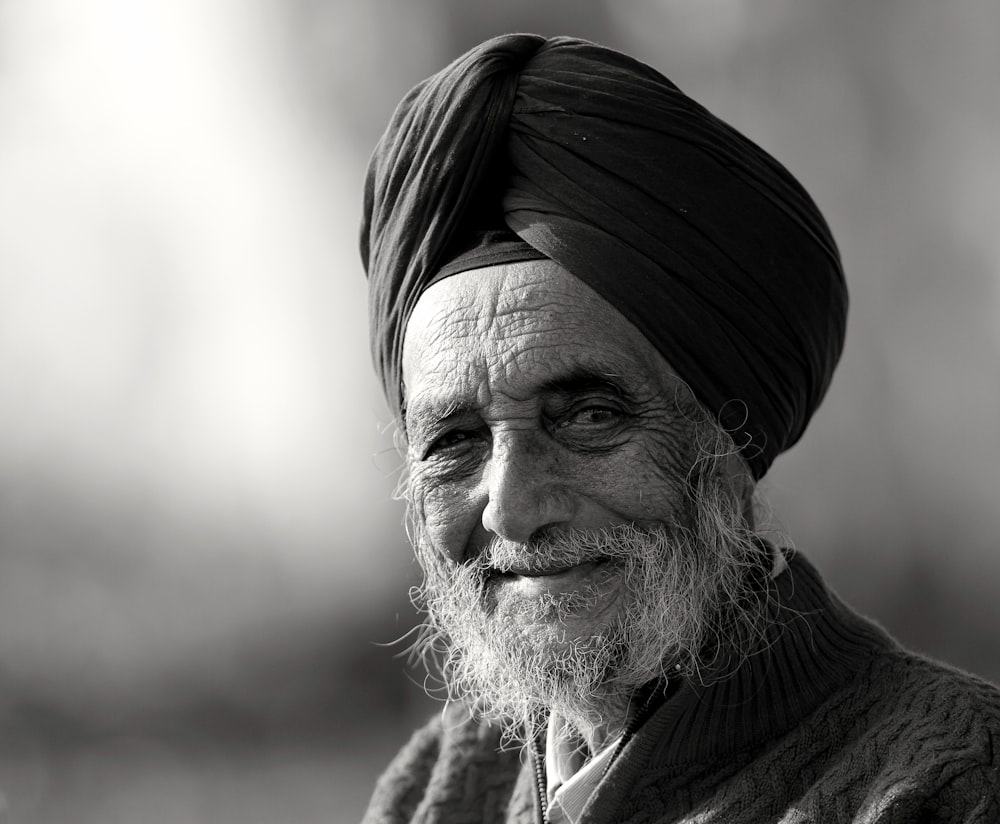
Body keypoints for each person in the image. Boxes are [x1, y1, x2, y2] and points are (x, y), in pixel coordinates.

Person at [358, 34, 1000, 823]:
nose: (514, 508)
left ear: (729, 438)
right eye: (455, 442)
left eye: (590, 416)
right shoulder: (443, 787)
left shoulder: (950, 785)